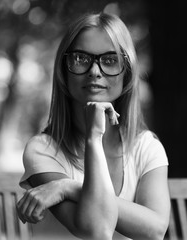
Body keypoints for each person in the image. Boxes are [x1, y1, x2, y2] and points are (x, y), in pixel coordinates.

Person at [16, 12, 170, 240]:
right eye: (80, 59)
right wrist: (94, 137)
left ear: (127, 73)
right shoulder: (43, 149)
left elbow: (155, 230)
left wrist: (67, 187)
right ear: (64, 71)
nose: (95, 71)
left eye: (110, 60)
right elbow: (95, 231)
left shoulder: (146, 147)